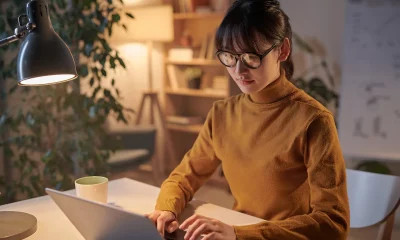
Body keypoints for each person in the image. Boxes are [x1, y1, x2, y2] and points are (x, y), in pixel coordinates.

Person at [146, 0, 350, 239]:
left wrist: (239, 234)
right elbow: (184, 177)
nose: (239, 71)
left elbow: (333, 223)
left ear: (282, 50)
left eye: (251, 58)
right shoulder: (222, 114)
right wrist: (166, 207)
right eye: (229, 57)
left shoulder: (314, 120)